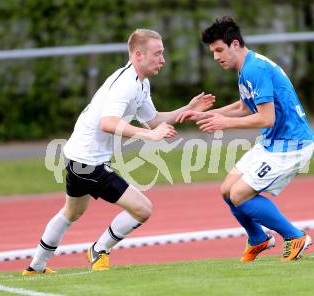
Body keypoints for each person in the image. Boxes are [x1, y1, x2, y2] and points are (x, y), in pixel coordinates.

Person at [22, 29, 215, 275]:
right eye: (157, 54)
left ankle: (35, 266)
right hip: (88, 162)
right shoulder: (125, 84)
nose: (162, 60)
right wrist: (149, 136)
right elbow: (109, 123)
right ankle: (99, 249)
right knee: (142, 209)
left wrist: (188, 109)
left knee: (71, 212)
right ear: (138, 55)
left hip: (79, 157)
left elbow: (154, 120)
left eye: (162, 54)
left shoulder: (140, 83)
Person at [177, 16, 314, 262]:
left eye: (219, 50)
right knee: (227, 190)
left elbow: (266, 118)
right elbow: (244, 106)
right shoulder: (246, 68)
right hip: (273, 142)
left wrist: (224, 123)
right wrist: (205, 114)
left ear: (235, 44)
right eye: (213, 52)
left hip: (291, 144)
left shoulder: (254, 69)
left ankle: (295, 237)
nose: (216, 56)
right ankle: (258, 239)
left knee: (240, 194)